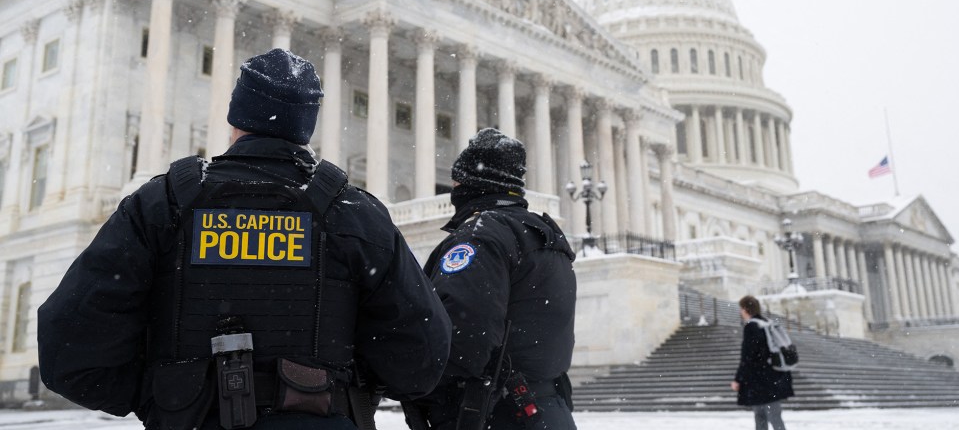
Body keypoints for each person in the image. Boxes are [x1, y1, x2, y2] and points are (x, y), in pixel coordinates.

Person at [37, 48, 452, 430]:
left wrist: (166, 394)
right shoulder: (355, 213)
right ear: (304, 129)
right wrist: (342, 388)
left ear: (235, 122)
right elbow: (422, 356)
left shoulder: (161, 204)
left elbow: (70, 349)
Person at [406, 128, 577, 430]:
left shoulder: (481, 235)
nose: (453, 187)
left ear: (474, 183)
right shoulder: (546, 238)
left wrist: (415, 383)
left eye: (457, 179)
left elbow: (463, 335)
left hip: (492, 412)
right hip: (547, 409)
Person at [730, 295, 794, 430]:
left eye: (741, 308)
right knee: (767, 415)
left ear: (746, 309)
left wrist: (738, 379)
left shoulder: (752, 327)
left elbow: (747, 356)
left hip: (761, 380)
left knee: (765, 417)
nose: (740, 312)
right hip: (773, 376)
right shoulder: (766, 323)